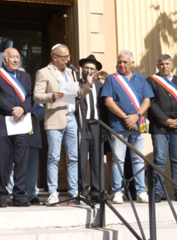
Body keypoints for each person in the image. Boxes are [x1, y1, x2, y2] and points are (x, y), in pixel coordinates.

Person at [33, 44, 94, 205]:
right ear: (54, 57)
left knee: (73, 157)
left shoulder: (70, 73)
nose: (68, 59)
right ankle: (53, 192)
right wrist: (52, 96)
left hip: (71, 117)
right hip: (54, 117)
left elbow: (77, 94)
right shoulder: (44, 72)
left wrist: (87, 86)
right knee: (53, 157)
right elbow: (37, 96)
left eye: (68, 56)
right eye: (64, 57)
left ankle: (73, 192)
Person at [101, 50, 154, 204]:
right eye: (119, 62)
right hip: (119, 125)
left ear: (132, 63)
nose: (121, 65)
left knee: (138, 159)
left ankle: (141, 191)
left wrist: (136, 116)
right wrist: (125, 117)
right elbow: (108, 102)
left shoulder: (141, 79)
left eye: (125, 62)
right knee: (118, 160)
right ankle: (118, 192)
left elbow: (147, 100)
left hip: (138, 125)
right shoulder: (112, 79)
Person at [0, 48, 33, 207]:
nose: (15, 60)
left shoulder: (25, 76)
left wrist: (22, 108)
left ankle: (19, 195)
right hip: (3, 122)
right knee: (3, 160)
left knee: (21, 160)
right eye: (12, 57)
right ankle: (1, 195)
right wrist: (12, 109)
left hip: (22, 122)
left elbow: (29, 96)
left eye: (17, 57)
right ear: (4, 59)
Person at [146, 54, 177, 202]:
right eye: (161, 64)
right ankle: (158, 192)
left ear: (172, 65)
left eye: (167, 64)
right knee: (159, 160)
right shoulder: (151, 81)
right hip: (160, 127)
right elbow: (151, 104)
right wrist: (165, 120)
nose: (164, 66)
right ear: (158, 66)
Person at [77, 54, 105, 203]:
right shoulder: (77, 85)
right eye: (86, 67)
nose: (88, 70)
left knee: (97, 160)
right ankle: (82, 191)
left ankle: (97, 192)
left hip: (97, 126)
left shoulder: (101, 87)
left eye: (92, 68)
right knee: (81, 160)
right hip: (82, 125)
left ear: (96, 72)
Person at [7, 103, 46, 205]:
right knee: (13, 167)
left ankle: (32, 195)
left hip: (32, 137)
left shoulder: (34, 96)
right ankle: (12, 194)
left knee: (32, 169)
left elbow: (42, 110)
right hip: (14, 133)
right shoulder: (13, 94)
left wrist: (33, 117)